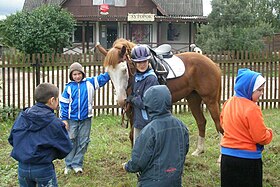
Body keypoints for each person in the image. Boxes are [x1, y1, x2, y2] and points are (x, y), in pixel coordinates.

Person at [122, 85, 189, 187]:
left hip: (152, 181)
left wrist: (128, 167)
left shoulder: (149, 131)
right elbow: (185, 149)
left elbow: (138, 161)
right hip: (175, 179)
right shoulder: (181, 126)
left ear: (149, 104)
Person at [8, 83, 72, 187]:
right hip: (43, 168)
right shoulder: (55, 123)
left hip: (22, 167)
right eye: (57, 99)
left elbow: (12, 138)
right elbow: (66, 147)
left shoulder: (23, 116)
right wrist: (50, 154)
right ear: (52, 100)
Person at [220, 68, 273, 187]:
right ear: (248, 89)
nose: (262, 93)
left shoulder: (228, 103)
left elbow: (223, 124)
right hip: (248, 160)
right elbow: (260, 137)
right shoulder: (252, 108)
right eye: (259, 90)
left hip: (227, 158)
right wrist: (269, 133)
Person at [60, 62, 110, 174]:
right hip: (71, 120)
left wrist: (112, 69)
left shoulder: (90, 83)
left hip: (85, 119)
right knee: (71, 140)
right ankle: (68, 164)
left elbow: (103, 78)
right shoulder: (68, 88)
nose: (77, 76)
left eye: (79, 74)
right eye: (74, 74)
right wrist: (64, 119)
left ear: (83, 74)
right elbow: (63, 104)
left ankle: (77, 164)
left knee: (83, 141)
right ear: (71, 76)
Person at [126, 44, 159, 145]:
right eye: (139, 62)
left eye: (144, 61)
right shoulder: (137, 76)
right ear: (134, 63)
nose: (142, 64)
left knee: (147, 146)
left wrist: (132, 99)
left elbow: (145, 103)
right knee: (138, 146)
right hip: (139, 120)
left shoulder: (151, 79)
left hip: (148, 121)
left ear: (148, 61)